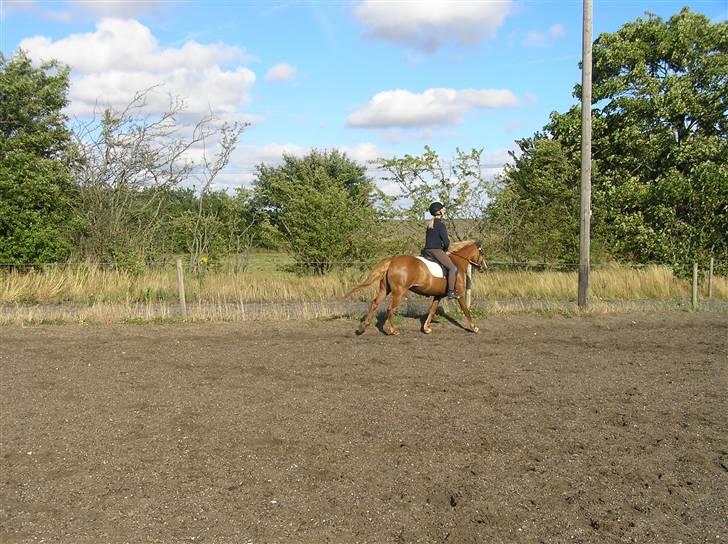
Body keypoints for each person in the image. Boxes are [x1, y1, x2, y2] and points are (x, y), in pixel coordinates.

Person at [422, 202, 459, 299]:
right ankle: (451, 291)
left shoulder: (430, 224)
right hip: (436, 251)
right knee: (452, 268)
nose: (444, 210)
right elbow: (446, 241)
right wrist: (445, 249)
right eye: (442, 209)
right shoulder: (441, 225)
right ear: (439, 212)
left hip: (427, 251)